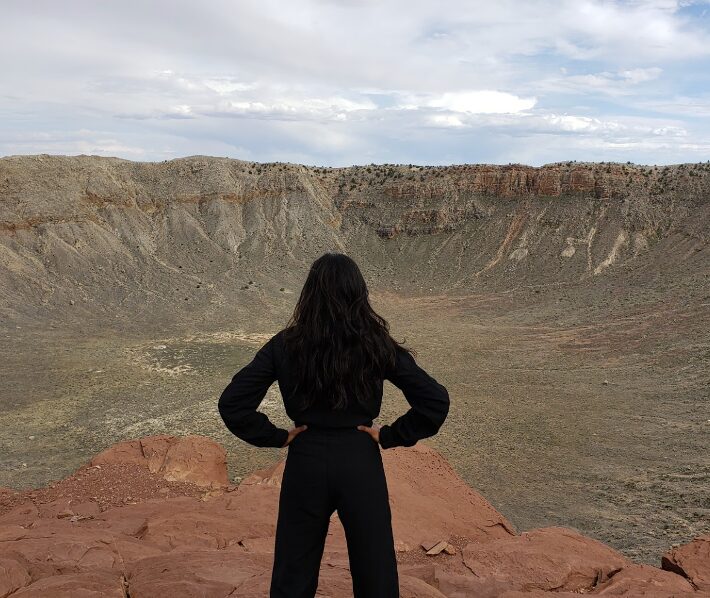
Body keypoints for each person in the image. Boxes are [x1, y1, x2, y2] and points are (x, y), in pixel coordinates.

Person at [217, 251, 450, 598]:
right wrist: (388, 435)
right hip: (359, 458)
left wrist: (278, 437)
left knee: (293, 570)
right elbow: (434, 401)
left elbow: (233, 403)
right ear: (359, 293)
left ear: (309, 294)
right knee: (375, 568)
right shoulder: (375, 342)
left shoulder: (285, 344)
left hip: (305, 457)